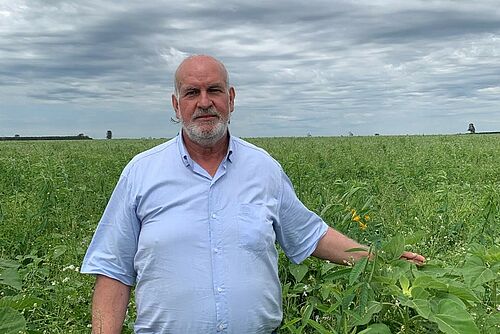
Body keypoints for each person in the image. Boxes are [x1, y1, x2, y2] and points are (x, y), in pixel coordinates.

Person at [81, 55, 425, 334]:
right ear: (176, 105)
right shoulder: (141, 173)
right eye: (191, 93)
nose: (204, 102)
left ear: (230, 99)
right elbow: (113, 270)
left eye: (214, 90)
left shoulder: (264, 169)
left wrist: (376, 258)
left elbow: (309, 235)